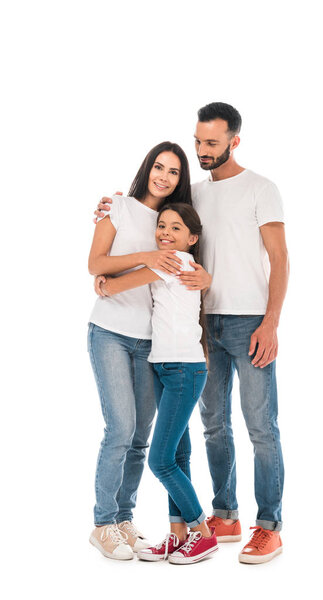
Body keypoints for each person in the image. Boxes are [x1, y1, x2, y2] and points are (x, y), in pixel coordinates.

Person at [95, 102, 289, 565]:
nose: (202, 150)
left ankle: (269, 526)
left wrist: (272, 321)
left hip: (249, 320)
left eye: (212, 143)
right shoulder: (196, 197)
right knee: (213, 427)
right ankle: (224, 516)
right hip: (204, 328)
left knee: (261, 426)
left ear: (234, 141)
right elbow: (158, 222)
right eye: (198, 141)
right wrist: (113, 207)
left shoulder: (262, 188)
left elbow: (279, 259)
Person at [88, 142, 211, 561]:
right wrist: (144, 259)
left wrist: (202, 275)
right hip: (109, 331)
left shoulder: (170, 222)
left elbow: (185, 259)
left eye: (173, 172)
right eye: (158, 167)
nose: (163, 176)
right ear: (148, 168)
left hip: (150, 345)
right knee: (120, 429)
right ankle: (103, 523)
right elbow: (96, 264)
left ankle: (124, 518)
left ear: (181, 180)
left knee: (140, 439)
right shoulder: (117, 208)